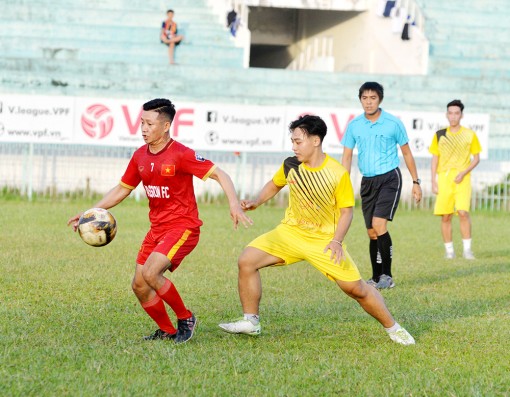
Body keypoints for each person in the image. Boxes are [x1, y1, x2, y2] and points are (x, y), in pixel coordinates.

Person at [219, 115, 415, 346]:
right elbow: (275, 184)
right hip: (290, 233)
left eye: (298, 141)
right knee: (247, 261)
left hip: (324, 241)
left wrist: (337, 241)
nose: (294, 146)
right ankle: (251, 321)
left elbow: (346, 212)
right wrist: (256, 201)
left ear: (316, 140)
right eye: (292, 141)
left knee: (357, 289)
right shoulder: (291, 164)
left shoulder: (336, 172)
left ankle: (394, 328)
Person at [68, 98, 252, 344]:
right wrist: (91, 212)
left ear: (165, 126)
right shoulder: (140, 156)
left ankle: (186, 318)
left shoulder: (181, 154)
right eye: (141, 122)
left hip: (183, 226)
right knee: (139, 285)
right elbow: (123, 189)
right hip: (157, 229)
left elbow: (220, 174)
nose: (143, 128)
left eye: (149, 123)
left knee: (152, 273)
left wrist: (232, 203)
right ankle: (167, 330)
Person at [341, 82, 422, 290]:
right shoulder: (354, 125)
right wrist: (342, 185)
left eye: (373, 98)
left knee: (379, 226)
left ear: (380, 100)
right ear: (360, 100)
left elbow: (406, 153)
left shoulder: (393, 123)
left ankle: (388, 276)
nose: (368, 102)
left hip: (389, 178)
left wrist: (416, 182)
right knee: (371, 232)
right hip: (367, 181)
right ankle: (376, 277)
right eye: (365, 98)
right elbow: (347, 156)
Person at [429, 99, 481, 260]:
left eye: (456, 113)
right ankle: (449, 251)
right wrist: (433, 180)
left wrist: (464, 172)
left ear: (461, 115)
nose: (453, 116)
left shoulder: (469, 134)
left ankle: (467, 250)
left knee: (463, 212)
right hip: (444, 178)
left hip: (462, 178)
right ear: (447, 114)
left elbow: (476, 158)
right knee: (446, 216)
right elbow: (435, 158)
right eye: (450, 113)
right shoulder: (439, 135)